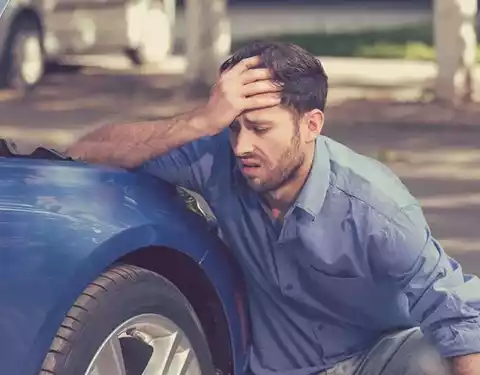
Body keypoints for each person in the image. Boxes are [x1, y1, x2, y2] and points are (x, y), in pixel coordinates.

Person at [65, 41, 480, 375]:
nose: (243, 146)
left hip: (379, 357)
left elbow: (459, 314)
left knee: (433, 360)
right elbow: (85, 153)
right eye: (232, 127)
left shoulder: (376, 207)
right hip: (278, 367)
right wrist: (200, 122)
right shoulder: (218, 161)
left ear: (312, 124)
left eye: (261, 129)